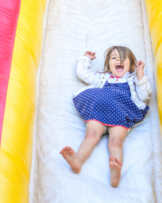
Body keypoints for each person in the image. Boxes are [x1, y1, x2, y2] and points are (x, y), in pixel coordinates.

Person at [60, 46, 151, 187]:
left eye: (123, 58)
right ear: (109, 65)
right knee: (91, 135)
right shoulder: (102, 77)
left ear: (131, 65)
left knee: (116, 142)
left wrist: (140, 73)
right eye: (114, 58)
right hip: (99, 111)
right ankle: (78, 159)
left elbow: (144, 95)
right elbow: (83, 74)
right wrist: (86, 59)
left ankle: (115, 172)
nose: (118, 60)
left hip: (121, 112)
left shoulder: (132, 80)